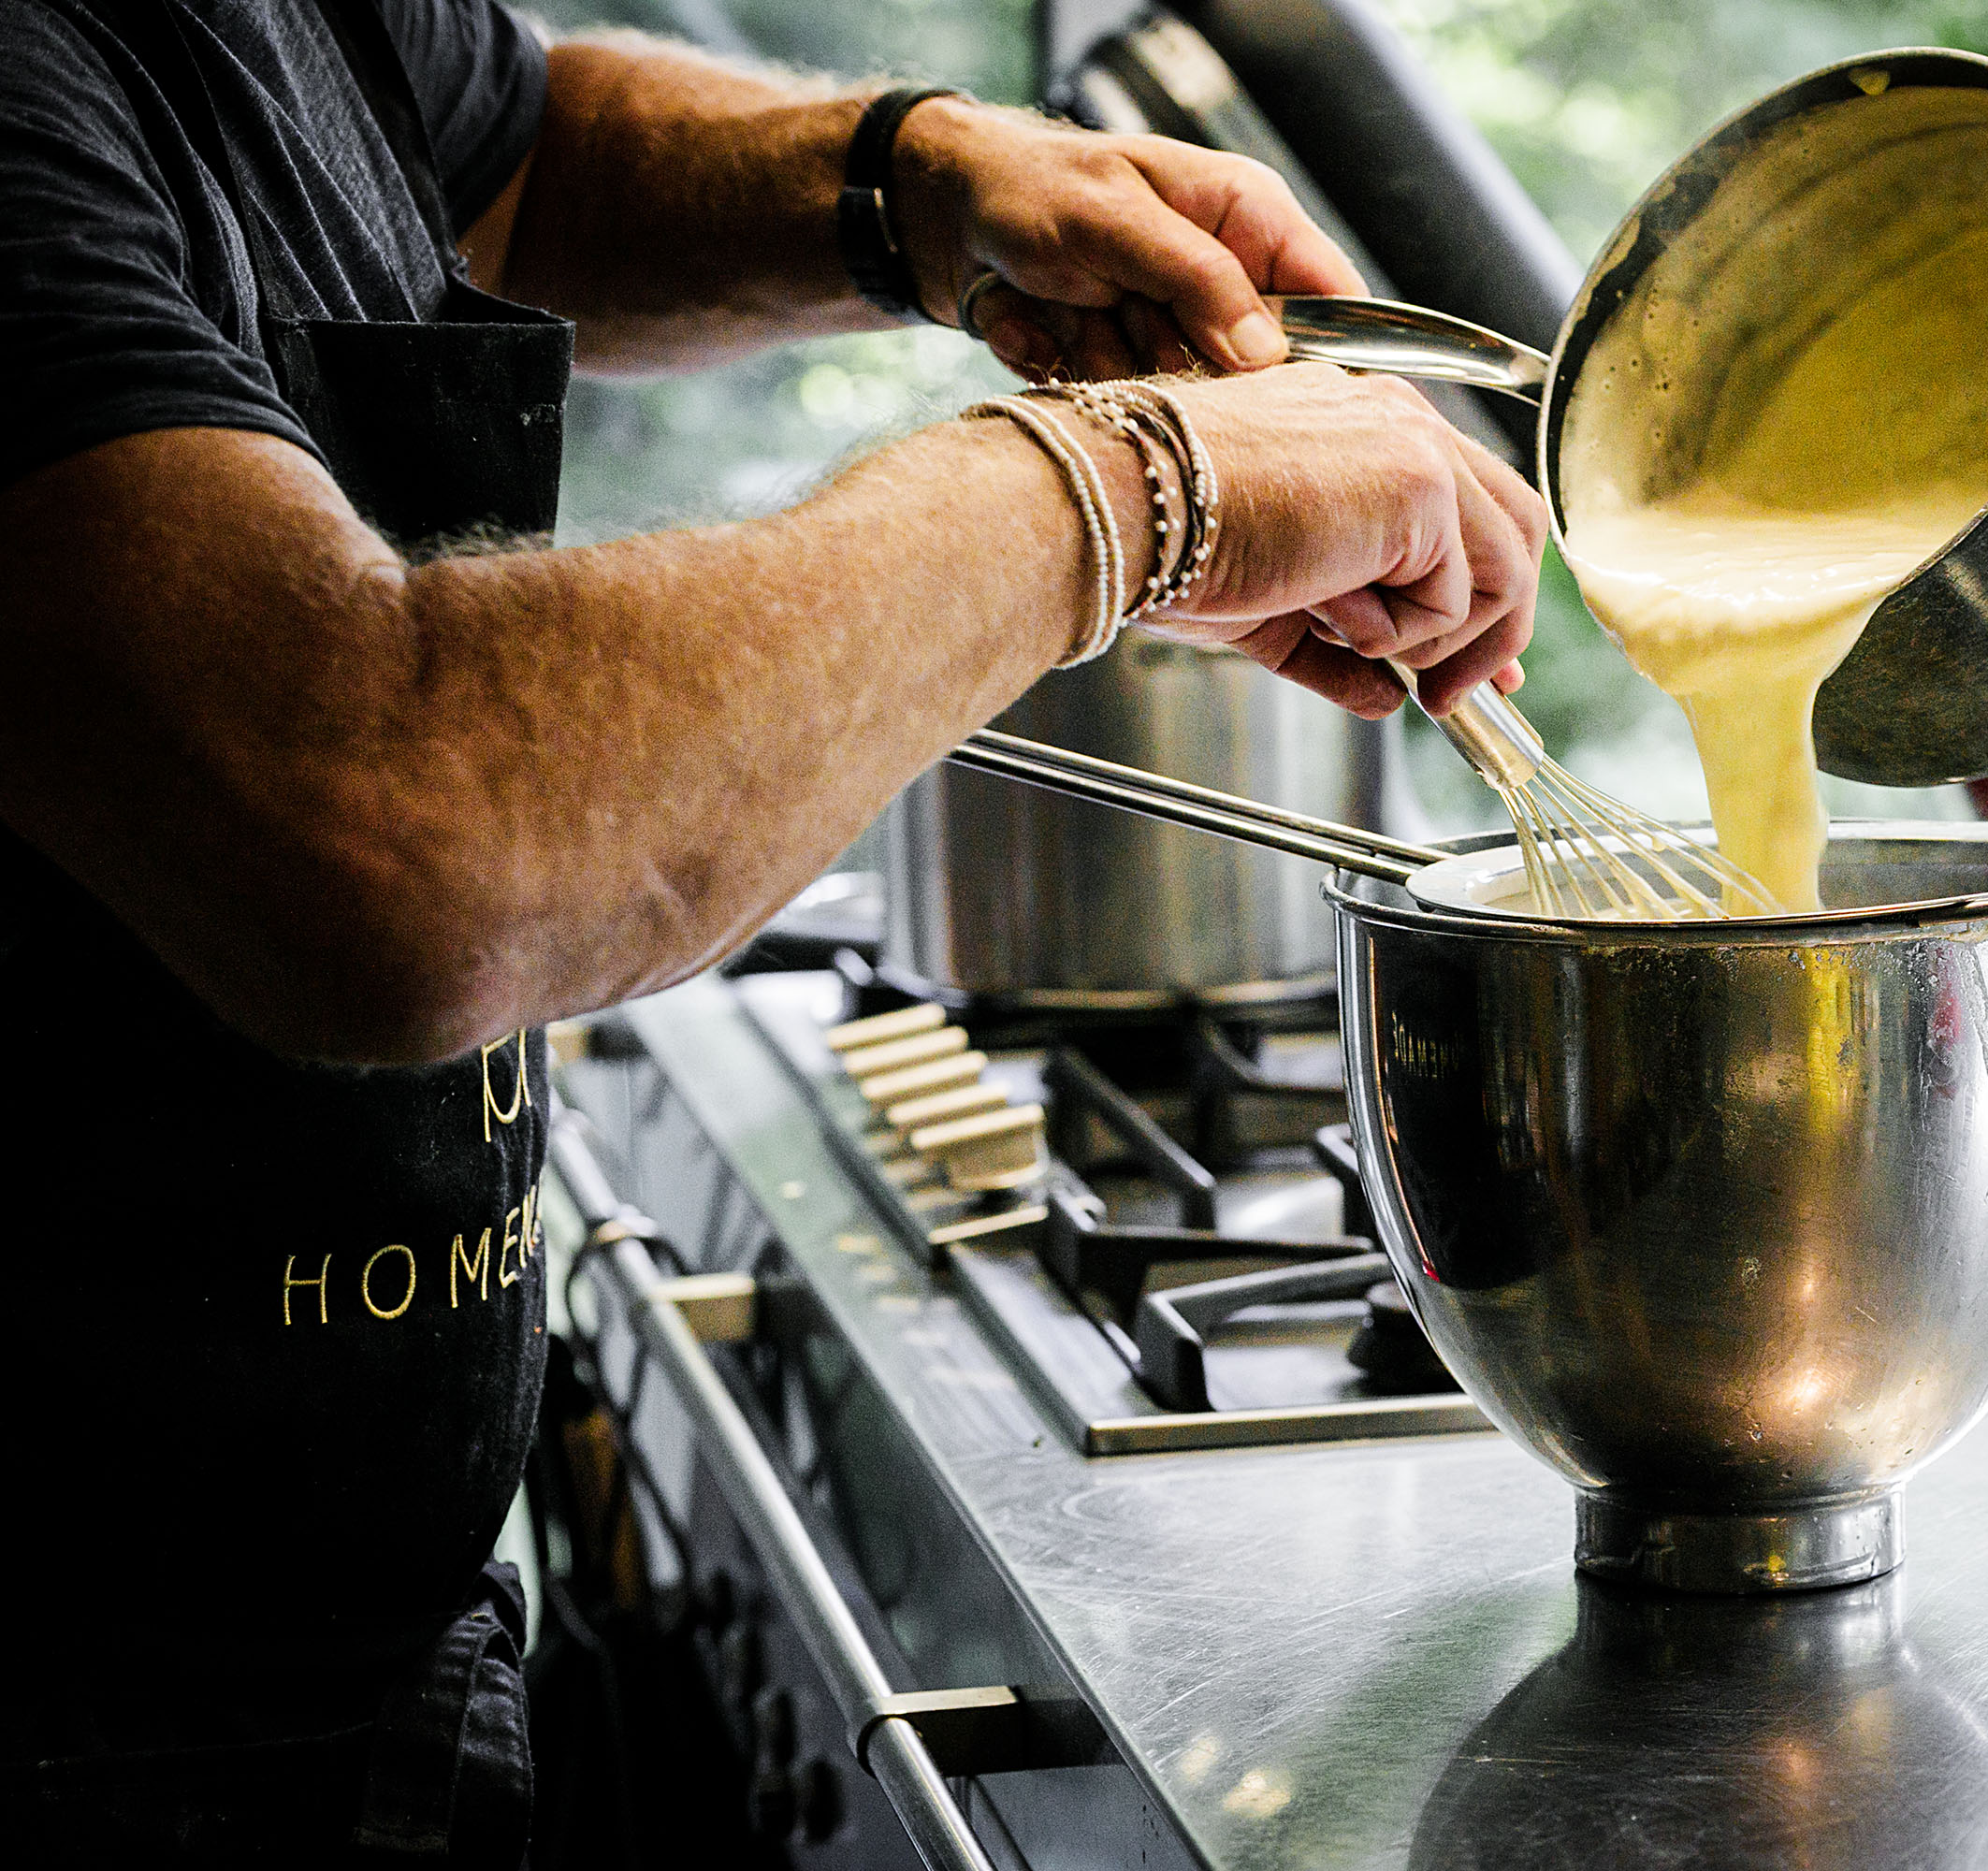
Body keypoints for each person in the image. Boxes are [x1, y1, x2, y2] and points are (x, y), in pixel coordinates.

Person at [0, 0, 1544, 1858]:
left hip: (337, 1676)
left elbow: (510, 153)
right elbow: (393, 836)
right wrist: (1126, 487)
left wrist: (916, 181)